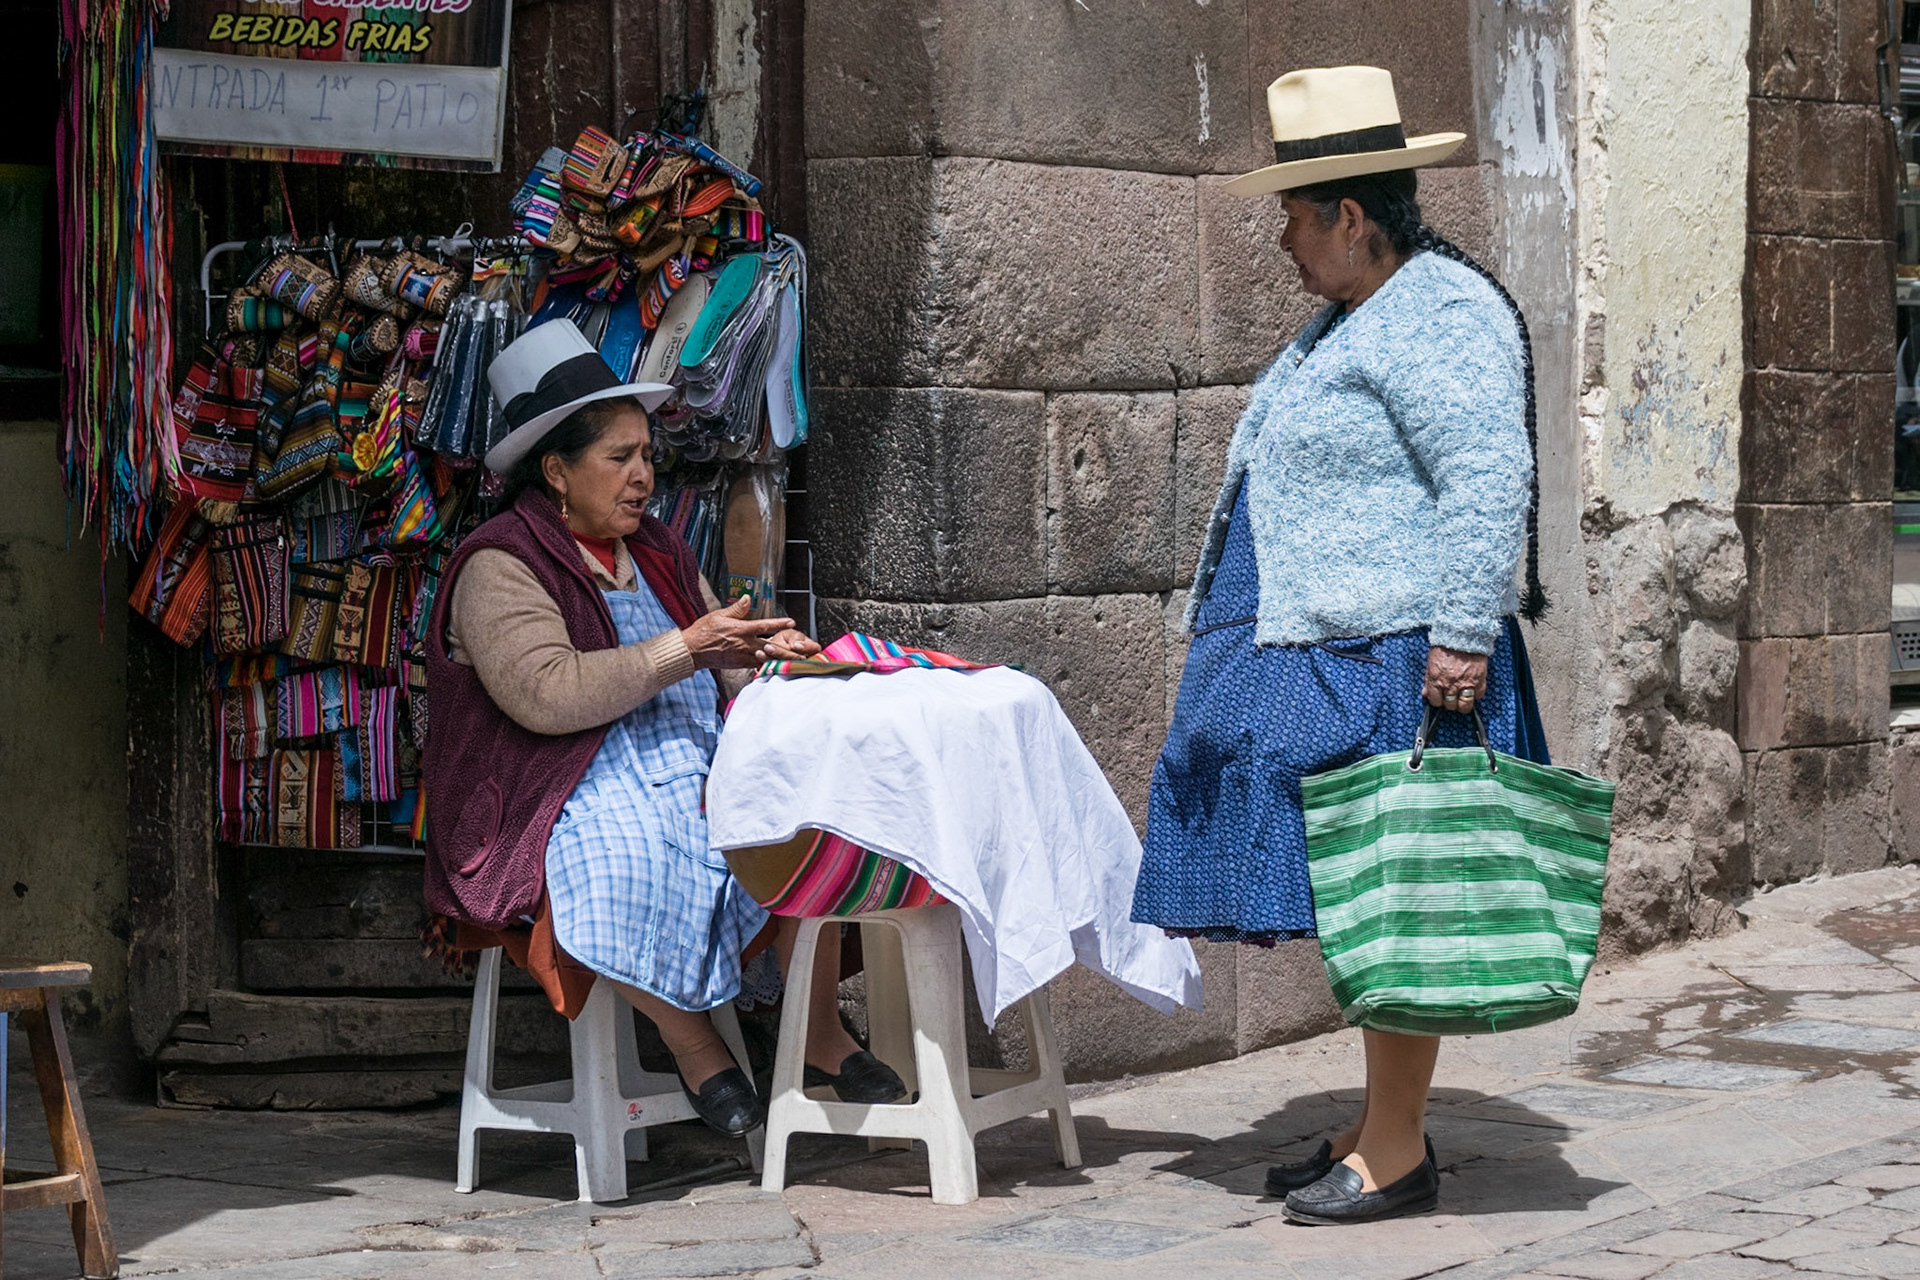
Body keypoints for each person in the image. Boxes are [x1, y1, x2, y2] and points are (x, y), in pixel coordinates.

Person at [1130, 66, 1553, 1225]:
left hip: (1402, 655)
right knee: (1359, 889)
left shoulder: (1444, 312)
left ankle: (1400, 1147)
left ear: (1351, 216)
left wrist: (1465, 635)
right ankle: (1378, 1120)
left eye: (1293, 214)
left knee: (1393, 894)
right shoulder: (1356, 319)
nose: (1281, 239)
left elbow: (1486, 473)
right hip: (1337, 645)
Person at [424, 320, 904, 1139]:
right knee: (622, 861)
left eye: (647, 454)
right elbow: (545, 694)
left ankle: (817, 1032)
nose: (644, 476)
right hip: (561, 790)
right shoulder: (498, 564)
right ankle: (697, 1048)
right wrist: (690, 648)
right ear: (556, 472)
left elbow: (715, 650)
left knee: (801, 818)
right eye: (619, 458)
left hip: (688, 762)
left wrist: (759, 652)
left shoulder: (657, 547)